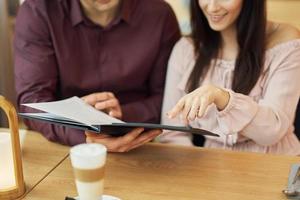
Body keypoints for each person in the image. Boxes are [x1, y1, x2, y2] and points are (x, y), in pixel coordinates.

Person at [14, 0, 181, 152]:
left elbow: (169, 99)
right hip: (62, 146)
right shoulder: (39, 11)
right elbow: (33, 101)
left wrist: (120, 116)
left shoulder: (159, 14)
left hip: (140, 148)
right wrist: (84, 136)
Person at [158, 0, 300, 155]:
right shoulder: (186, 49)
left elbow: (272, 132)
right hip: (214, 169)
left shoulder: (286, 42)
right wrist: (197, 171)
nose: (212, 7)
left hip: (276, 165)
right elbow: (173, 133)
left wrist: (224, 99)